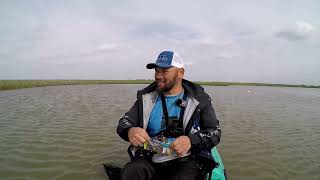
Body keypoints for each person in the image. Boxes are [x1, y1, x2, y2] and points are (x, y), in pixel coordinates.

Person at [117, 50, 221, 180]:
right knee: (130, 172)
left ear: (180, 73)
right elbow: (124, 122)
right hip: (151, 155)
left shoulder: (199, 99)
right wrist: (130, 131)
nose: (158, 76)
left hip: (185, 158)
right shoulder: (145, 98)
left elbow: (215, 132)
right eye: (156, 71)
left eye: (164, 71)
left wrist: (190, 140)